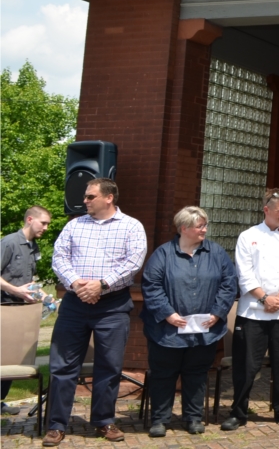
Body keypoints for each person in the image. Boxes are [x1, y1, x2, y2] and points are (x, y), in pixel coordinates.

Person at [43, 180, 147, 446]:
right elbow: (59, 258)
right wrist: (78, 284)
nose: (85, 201)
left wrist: (101, 285)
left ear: (109, 197)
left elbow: (133, 262)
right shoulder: (73, 225)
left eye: (91, 196)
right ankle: (56, 424)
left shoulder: (131, 226)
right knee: (62, 366)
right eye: (85, 197)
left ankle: (103, 421)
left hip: (112, 305)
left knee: (109, 366)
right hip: (75, 303)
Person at [140, 206, 238, 437]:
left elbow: (229, 282)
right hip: (166, 331)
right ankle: (160, 420)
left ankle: (193, 418)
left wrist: (218, 312)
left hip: (204, 329)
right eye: (200, 226)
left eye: (205, 225)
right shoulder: (163, 255)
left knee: (196, 373)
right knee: (164, 374)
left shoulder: (216, 253)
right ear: (184, 228)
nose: (204, 229)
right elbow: (151, 285)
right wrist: (167, 313)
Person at [221, 188, 279, 431]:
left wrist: (278, 298)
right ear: (266, 210)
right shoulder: (248, 236)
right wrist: (264, 299)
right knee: (245, 365)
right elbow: (244, 273)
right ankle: (238, 411)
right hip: (252, 312)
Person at [1, 205, 52, 414]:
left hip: (21, 312)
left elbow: (28, 282)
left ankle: (0, 400)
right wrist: (16, 291)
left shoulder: (33, 247)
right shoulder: (10, 243)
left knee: (15, 359)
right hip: (4, 310)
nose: (47, 228)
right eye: (44, 223)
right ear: (30, 219)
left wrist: (44, 297)